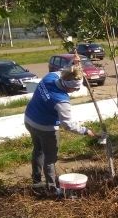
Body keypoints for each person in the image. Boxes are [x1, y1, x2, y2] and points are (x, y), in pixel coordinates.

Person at [24, 65, 96, 193]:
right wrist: (85, 130)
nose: (75, 90)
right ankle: (52, 188)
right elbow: (67, 125)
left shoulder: (50, 77)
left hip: (29, 119)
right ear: (69, 86)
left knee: (38, 150)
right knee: (50, 159)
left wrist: (76, 64)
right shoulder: (61, 101)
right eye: (76, 88)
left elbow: (67, 71)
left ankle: (36, 182)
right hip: (46, 128)